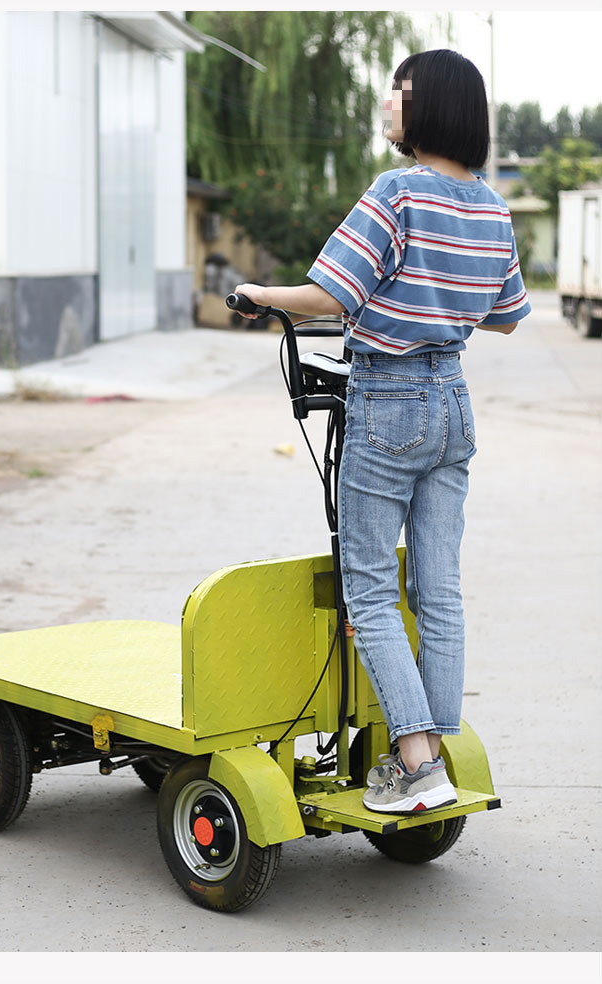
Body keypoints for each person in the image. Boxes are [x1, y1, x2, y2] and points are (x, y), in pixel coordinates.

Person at [233, 49, 531, 814]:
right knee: (440, 588)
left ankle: (414, 763)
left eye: (398, 92)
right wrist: (434, 305)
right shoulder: (493, 208)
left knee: (368, 588)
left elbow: (325, 293)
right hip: (453, 402)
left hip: (391, 402)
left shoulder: (396, 193)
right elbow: (503, 317)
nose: (389, 104)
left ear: (428, 105)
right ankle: (437, 742)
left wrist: (256, 293)